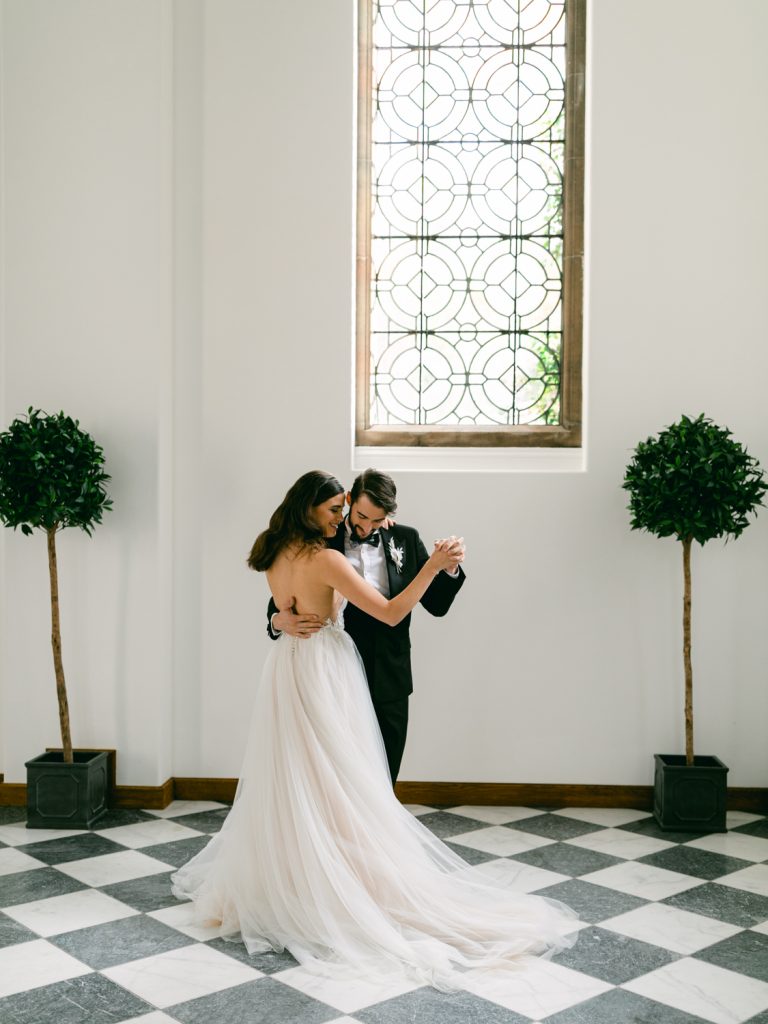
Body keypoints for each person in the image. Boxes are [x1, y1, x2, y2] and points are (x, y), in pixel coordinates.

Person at [171, 470, 577, 990]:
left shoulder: (276, 549)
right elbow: (380, 612)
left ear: (389, 515)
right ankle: (351, 888)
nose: (350, 521)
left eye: (361, 516)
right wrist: (280, 618)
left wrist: (441, 569)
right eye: (342, 512)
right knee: (347, 787)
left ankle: (306, 882)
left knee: (307, 778)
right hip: (330, 670)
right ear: (318, 508)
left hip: (308, 670)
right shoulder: (328, 552)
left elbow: (424, 604)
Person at [267, 468, 465, 782]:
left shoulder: (405, 538)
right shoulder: (324, 539)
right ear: (349, 500)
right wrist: (277, 620)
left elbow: (437, 605)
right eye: (361, 516)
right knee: (337, 775)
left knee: (384, 777)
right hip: (334, 672)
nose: (366, 526)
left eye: (376, 520)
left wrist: (449, 568)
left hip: (390, 673)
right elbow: (290, 596)